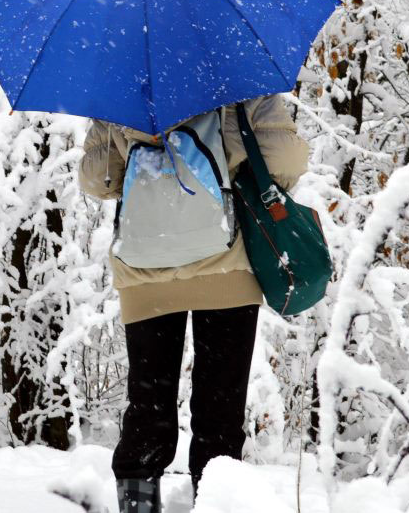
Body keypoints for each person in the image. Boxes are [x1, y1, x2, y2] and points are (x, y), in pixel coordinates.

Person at [77, 94, 309, 513]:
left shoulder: (122, 85)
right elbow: (285, 160)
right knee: (220, 407)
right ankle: (214, 501)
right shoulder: (234, 80)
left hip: (145, 271)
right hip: (225, 269)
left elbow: (97, 180)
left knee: (148, 404)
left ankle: (137, 502)